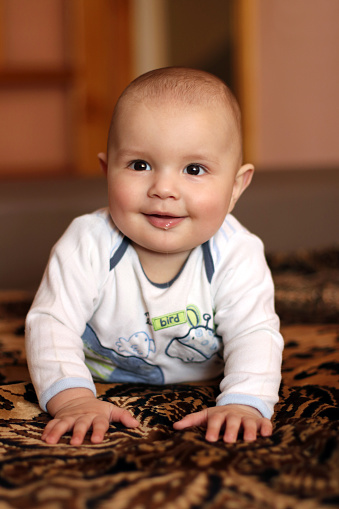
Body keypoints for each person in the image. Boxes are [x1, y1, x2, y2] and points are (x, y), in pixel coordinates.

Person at [25, 67, 284, 446]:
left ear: (235, 187)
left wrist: (245, 403)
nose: (163, 189)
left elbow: (255, 333)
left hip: (203, 380)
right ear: (107, 171)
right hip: (100, 375)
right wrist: (74, 399)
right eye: (139, 165)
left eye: (194, 169)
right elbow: (51, 322)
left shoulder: (236, 251)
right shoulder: (89, 241)